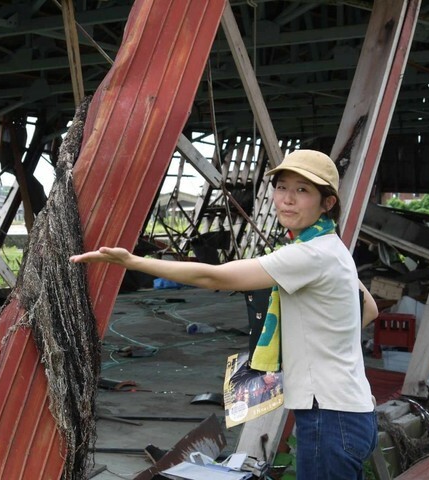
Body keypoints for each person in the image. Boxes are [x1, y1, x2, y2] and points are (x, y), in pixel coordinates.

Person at [70, 149, 379, 480]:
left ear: (327, 202)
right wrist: (321, 344)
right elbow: (370, 308)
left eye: (303, 191)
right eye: (282, 187)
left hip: (329, 417)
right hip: (351, 410)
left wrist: (131, 262)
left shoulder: (309, 256)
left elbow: (215, 277)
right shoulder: (332, 248)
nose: (287, 199)